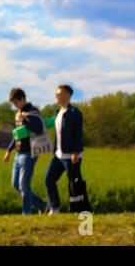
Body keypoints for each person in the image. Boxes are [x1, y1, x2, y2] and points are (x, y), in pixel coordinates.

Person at [2, 88, 48, 215]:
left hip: (29, 153)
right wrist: (9, 150)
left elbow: (39, 129)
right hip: (18, 153)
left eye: (16, 102)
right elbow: (17, 134)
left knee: (24, 185)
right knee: (15, 184)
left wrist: (25, 120)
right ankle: (42, 205)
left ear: (23, 99)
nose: (14, 105)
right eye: (13, 103)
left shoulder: (33, 111)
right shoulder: (19, 112)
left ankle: (26, 213)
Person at [45, 85, 84, 215]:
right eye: (56, 94)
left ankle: (78, 209)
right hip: (58, 155)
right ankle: (55, 208)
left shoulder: (74, 113)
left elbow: (78, 134)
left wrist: (76, 152)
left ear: (67, 95)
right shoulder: (58, 113)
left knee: (74, 183)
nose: (57, 96)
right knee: (49, 180)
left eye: (59, 94)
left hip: (71, 156)